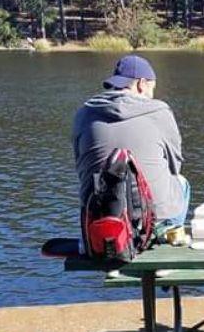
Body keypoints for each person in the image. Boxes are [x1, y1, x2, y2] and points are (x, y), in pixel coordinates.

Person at [73, 52, 189, 243]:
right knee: (182, 183)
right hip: (151, 221)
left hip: (100, 219)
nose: (152, 95)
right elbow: (174, 166)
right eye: (152, 88)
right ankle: (166, 238)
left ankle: (110, 243)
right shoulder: (159, 111)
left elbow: (81, 167)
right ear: (141, 84)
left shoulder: (83, 114)